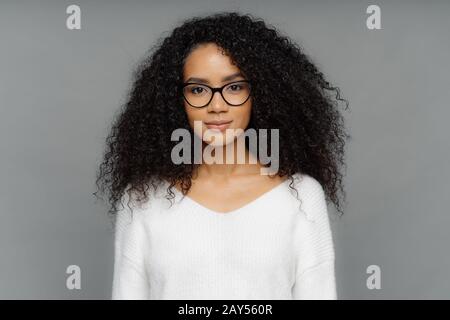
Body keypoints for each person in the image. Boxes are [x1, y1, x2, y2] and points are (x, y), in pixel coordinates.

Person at [94, 11, 349, 300]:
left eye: (235, 87)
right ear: (177, 100)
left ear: (261, 94)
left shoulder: (301, 197)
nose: (217, 105)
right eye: (199, 89)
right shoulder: (141, 199)